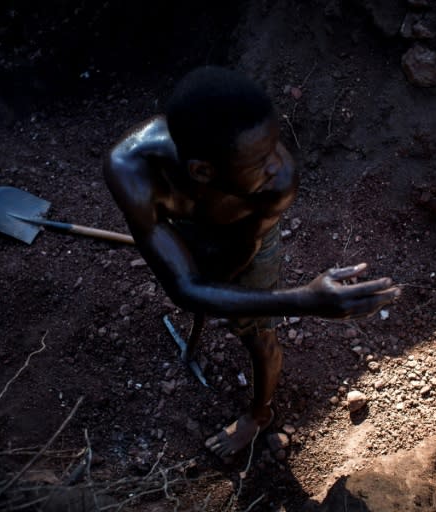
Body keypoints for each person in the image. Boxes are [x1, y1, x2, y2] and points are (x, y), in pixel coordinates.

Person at [104, 66, 400, 459]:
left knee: (259, 338)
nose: (277, 163)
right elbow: (183, 289)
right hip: (188, 228)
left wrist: (267, 299)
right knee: (203, 293)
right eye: (260, 160)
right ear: (203, 171)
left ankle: (258, 415)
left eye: (276, 145)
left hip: (245, 236)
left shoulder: (276, 183)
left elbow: (243, 250)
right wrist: (205, 289)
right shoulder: (130, 170)